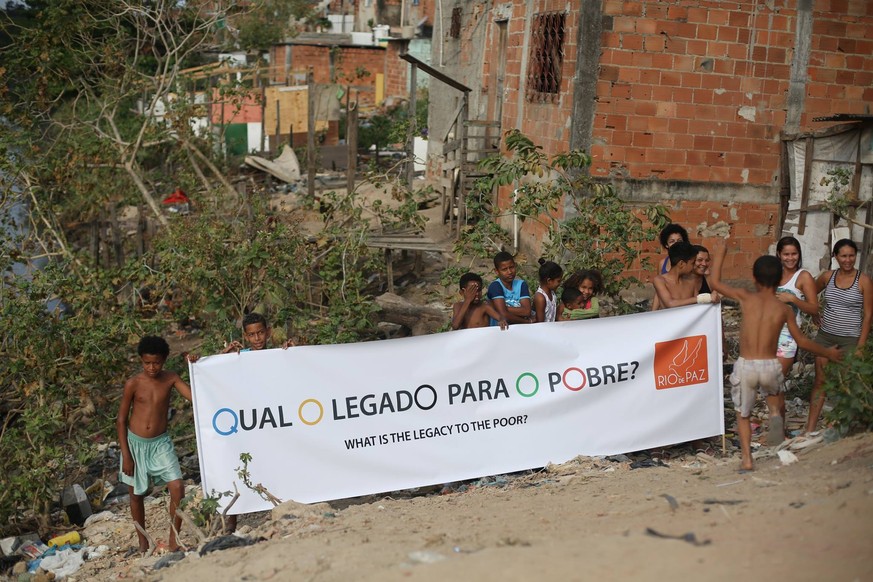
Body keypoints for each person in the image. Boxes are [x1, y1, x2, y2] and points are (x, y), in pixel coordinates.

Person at [709, 242, 842, 469]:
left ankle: (748, 460)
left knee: (743, 414)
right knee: (774, 395)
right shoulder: (784, 309)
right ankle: (774, 415)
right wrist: (828, 352)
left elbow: (715, 283)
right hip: (771, 365)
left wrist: (721, 252)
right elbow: (802, 341)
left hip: (746, 365)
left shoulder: (745, 298)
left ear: (754, 277)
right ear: (780, 275)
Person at [187, 311, 293, 532]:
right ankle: (231, 524)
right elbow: (216, 375)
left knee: (281, 464)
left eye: (261, 333)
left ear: (268, 332)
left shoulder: (277, 353)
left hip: (272, 423)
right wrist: (212, 360)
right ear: (245, 337)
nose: (257, 339)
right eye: (252, 335)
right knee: (236, 468)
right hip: (245, 426)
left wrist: (291, 352)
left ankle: (288, 510)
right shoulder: (238, 356)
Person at [117, 336, 192, 553]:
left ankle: (173, 539)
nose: (152, 367)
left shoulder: (170, 379)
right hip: (135, 444)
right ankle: (142, 541)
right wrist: (127, 454)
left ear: (164, 359)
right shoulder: (133, 384)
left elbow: (194, 396)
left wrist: (194, 366)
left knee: (177, 486)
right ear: (141, 360)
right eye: (147, 363)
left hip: (161, 443)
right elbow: (121, 420)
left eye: (157, 362)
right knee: (136, 495)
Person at [805, 239, 873, 433]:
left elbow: (868, 315)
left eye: (851, 255)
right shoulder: (827, 277)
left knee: (846, 384)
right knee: (820, 382)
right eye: (843, 255)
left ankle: (838, 428)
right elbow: (810, 296)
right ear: (835, 257)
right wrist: (813, 312)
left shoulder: (864, 280)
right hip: (825, 337)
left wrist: (860, 346)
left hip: (850, 339)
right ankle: (809, 428)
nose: (848, 260)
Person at [772, 237, 819, 430]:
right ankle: (778, 428)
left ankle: (777, 430)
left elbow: (814, 308)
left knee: (774, 381)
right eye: (786, 254)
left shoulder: (803, 276)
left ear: (799, 255)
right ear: (779, 255)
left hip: (788, 336)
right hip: (769, 334)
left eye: (794, 254)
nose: (790, 258)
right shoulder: (773, 274)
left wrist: (793, 299)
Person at [652, 241, 717, 310]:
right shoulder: (660, 280)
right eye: (692, 263)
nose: (693, 267)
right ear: (681, 264)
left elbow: (698, 308)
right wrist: (705, 298)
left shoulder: (691, 282)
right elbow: (670, 304)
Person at [487, 251, 533, 325]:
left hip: (519, 330)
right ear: (497, 271)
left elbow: (527, 311)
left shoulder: (521, 285)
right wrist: (526, 321)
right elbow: (503, 315)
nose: (509, 272)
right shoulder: (495, 286)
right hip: (499, 330)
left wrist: (500, 308)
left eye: (511, 267)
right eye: (504, 269)